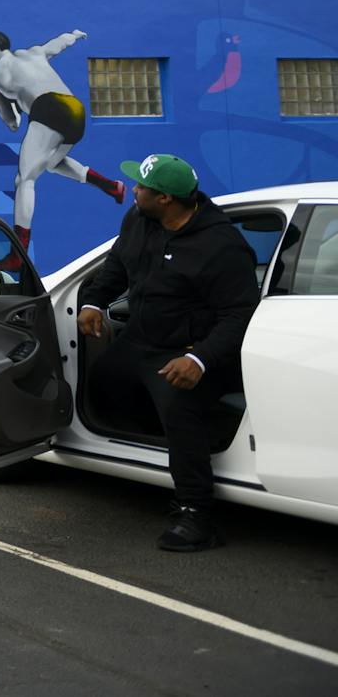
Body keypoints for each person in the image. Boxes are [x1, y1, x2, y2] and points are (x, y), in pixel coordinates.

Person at [76, 153, 260, 552]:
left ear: (165, 199)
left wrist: (200, 359)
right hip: (140, 340)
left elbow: (240, 314)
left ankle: (196, 513)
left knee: (180, 407)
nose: (134, 191)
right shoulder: (140, 220)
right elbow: (117, 266)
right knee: (102, 384)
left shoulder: (221, 247)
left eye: (141, 188)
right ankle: (161, 454)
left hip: (192, 351)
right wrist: (92, 302)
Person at [0, 29, 125, 269]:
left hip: (47, 108)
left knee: (24, 179)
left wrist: (15, 108)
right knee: (50, 163)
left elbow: (12, 122)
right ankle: (111, 186)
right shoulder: (33, 53)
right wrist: (75, 35)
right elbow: (58, 44)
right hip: (75, 110)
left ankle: (17, 254)